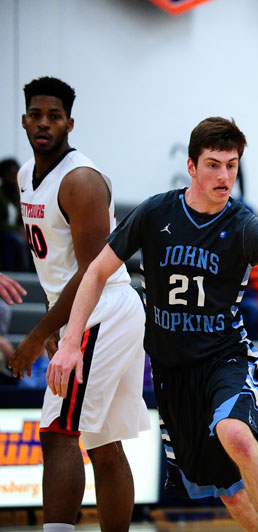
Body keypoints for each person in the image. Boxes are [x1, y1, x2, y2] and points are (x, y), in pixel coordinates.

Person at [51, 117, 258, 532]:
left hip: (225, 358)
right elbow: (97, 272)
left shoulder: (245, 226)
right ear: (191, 167)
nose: (224, 175)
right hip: (174, 372)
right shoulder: (156, 212)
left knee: (237, 434)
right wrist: (69, 344)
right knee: (226, 488)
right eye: (213, 164)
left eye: (232, 165)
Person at [8, 76, 149, 531]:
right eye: (36, 115)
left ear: (70, 123)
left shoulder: (81, 181)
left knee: (58, 432)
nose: (44, 123)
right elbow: (58, 270)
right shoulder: (23, 177)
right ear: (25, 120)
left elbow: (92, 272)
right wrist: (54, 326)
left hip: (104, 305)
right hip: (87, 308)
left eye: (54, 116)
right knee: (103, 443)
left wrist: (36, 337)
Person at [0, 157, 29, 271]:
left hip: (17, 232)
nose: (14, 177)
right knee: (15, 240)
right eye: (11, 173)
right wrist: (18, 229)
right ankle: (19, 274)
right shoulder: (1, 195)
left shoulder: (20, 195)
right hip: (4, 232)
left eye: (17, 173)